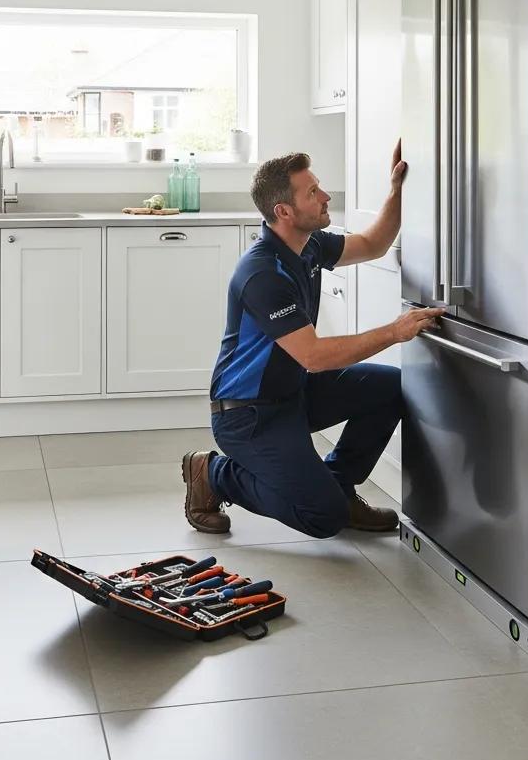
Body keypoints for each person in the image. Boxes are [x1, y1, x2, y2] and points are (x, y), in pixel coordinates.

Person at [182, 143, 444, 538]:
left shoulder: (308, 245)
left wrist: (398, 190)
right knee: (322, 518)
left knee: (393, 388)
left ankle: (338, 485)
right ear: (283, 211)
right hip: (247, 414)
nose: (326, 197)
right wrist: (395, 331)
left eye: (319, 186)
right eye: (312, 192)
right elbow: (315, 356)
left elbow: (373, 244)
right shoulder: (262, 273)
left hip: (292, 394)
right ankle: (214, 474)